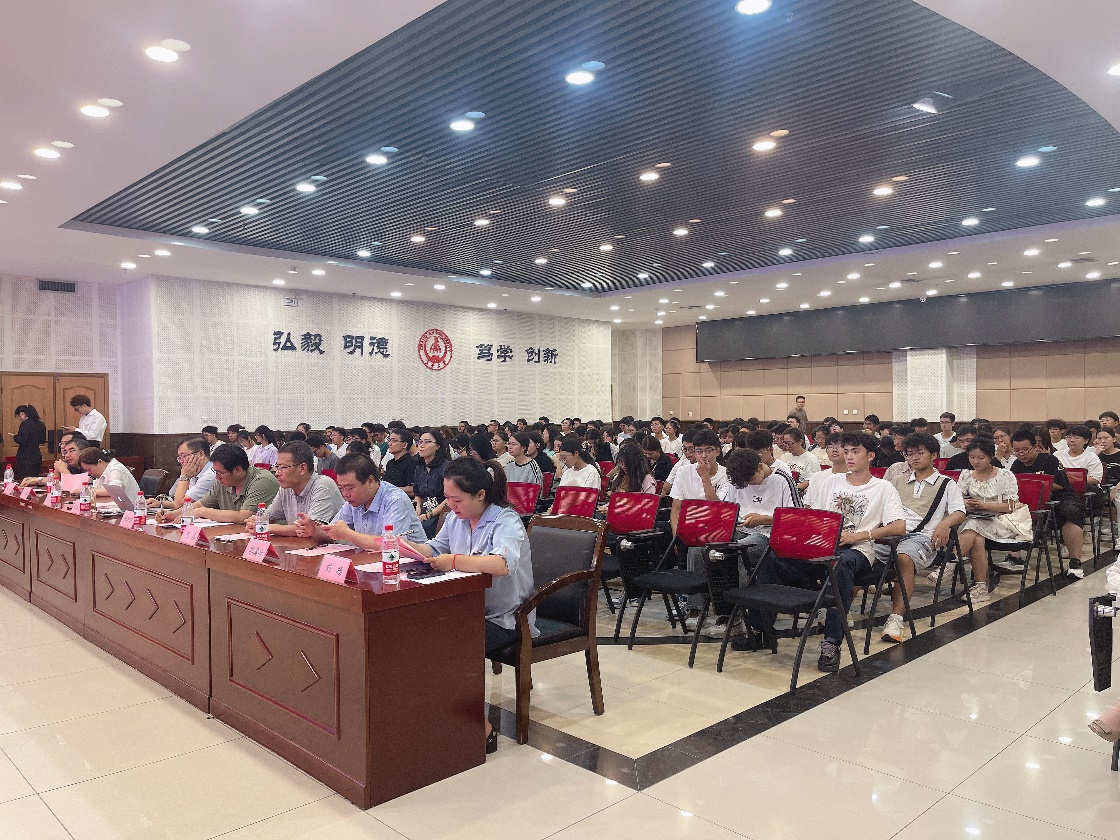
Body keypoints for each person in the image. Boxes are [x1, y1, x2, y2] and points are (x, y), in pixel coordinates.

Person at [394, 457, 536, 754]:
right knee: (412, 633)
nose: (450, 505)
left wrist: (455, 561)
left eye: (456, 499)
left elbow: (502, 564)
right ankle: (435, 714)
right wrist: (405, 547)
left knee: (448, 643)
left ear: (480, 494)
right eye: (446, 498)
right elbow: (434, 548)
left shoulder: (505, 520)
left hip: (505, 617)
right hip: (466, 610)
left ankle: (480, 727)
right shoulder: (457, 519)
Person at [742, 432, 906, 669]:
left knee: (839, 564)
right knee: (771, 556)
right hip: (821, 545)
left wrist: (860, 535)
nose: (849, 457)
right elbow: (814, 516)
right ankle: (762, 628)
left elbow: (899, 526)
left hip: (857, 549)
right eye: (846, 452)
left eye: (855, 452)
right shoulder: (831, 482)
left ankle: (831, 641)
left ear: (870, 456)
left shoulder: (882, 488)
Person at [879, 433, 966, 642]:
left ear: (934, 455)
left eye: (919, 453)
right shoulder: (897, 481)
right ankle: (841, 612)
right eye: (909, 454)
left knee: (904, 557)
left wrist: (944, 523)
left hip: (922, 537)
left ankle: (896, 618)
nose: (914, 458)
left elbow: (959, 511)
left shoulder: (946, 483)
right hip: (891, 532)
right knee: (861, 554)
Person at [295, 453, 426, 546]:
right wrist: (314, 530)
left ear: (370, 481)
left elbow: (391, 545)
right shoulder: (354, 501)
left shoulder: (395, 500)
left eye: (350, 488)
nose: (345, 494)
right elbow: (333, 533)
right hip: (372, 563)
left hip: (412, 568)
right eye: (341, 488)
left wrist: (349, 535)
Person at [954, 439, 1026, 602]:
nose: (976, 462)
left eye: (981, 458)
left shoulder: (1004, 475)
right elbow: (956, 500)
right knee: (977, 537)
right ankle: (980, 587)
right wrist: (966, 503)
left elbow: (1011, 506)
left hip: (1003, 522)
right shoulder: (966, 475)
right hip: (978, 520)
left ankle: (950, 562)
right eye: (972, 457)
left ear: (991, 457)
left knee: (973, 525)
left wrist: (984, 506)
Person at [242, 441, 343, 536]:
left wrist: (263, 527)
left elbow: (308, 529)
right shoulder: (286, 487)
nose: (277, 473)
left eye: (283, 467)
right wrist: (255, 521)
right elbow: (268, 517)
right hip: (303, 546)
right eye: (277, 467)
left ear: (302, 469)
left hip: (336, 547)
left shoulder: (323, 486)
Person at [179, 443, 280, 524]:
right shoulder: (222, 482)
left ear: (237, 470)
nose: (217, 477)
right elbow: (198, 505)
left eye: (220, 473)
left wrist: (202, 511)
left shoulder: (262, 481)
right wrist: (171, 514)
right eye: (215, 472)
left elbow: (243, 517)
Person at [1055, 424, 1103, 578]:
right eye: (1069, 437)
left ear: (1086, 440)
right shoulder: (1058, 455)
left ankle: (1070, 541)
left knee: (1075, 505)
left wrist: (1073, 479)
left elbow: (1095, 479)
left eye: (1076, 438)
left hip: (1084, 493)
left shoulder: (1091, 457)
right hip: (1063, 493)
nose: (1072, 441)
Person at [154, 437, 216, 511]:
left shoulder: (210, 476)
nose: (181, 461)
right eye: (179, 457)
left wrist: (184, 476)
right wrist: (160, 503)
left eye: (184, 456)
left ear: (201, 454)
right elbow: (182, 502)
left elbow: (180, 505)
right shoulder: (195, 471)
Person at [414, 429, 450, 538]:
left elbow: (449, 499)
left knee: (422, 529)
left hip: (440, 513)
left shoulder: (446, 467)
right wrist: (417, 507)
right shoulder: (420, 468)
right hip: (423, 511)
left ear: (438, 446)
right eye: (420, 442)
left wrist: (428, 515)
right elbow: (418, 495)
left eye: (427, 442)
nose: (421, 445)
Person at [804, 432, 846, 508]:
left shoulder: (854, 479)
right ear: (826, 451)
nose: (834, 450)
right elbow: (807, 505)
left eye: (839, 446)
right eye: (830, 446)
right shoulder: (817, 477)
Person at [10, 405, 46, 481]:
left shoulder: (25, 424)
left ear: (22, 414)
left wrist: (15, 437)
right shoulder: (41, 424)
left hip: (25, 456)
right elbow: (42, 440)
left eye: (18, 416)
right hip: (36, 454)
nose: (19, 419)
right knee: (35, 479)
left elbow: (21, 440)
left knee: (25, 479)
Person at [780, 427, 819, 493]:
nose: (787, 446)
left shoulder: (811, 458)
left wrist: (793, 490)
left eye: (790, 443)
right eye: (785, 443)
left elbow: (810, 480)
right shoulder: (784, 457)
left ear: (800, 441)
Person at [381, 428, 417, 494]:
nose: (389, 444)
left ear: (404, 445)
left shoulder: (411, 463)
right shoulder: (390, 463)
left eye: (393, 441)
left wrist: (392, 489)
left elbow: (413, 489)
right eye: (389, 440)